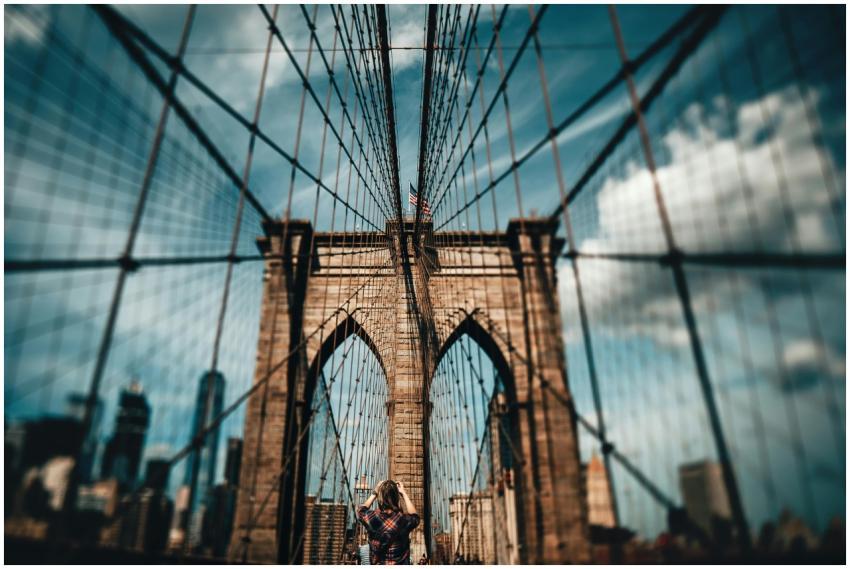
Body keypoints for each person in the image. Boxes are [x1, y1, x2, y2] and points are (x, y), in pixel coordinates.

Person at [357, 479, 420, 564]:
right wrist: (403, 493)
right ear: (396, 497)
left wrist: (374, 493)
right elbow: (415, 517)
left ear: (381, 498)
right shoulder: (403, 520)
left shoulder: (371, 518)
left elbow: (360, 511)